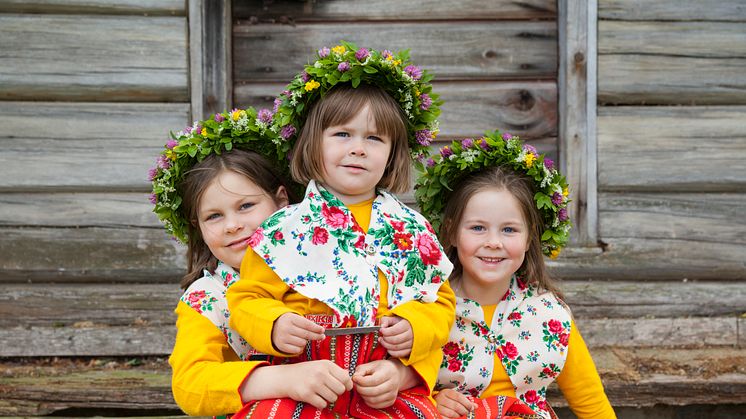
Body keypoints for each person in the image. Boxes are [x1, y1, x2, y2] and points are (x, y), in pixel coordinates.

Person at [226, 43, 456, 418]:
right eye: (342, 134)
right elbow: (247, 298)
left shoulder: (411, 228)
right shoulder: (283, 229)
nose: (359, 149)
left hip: (380, 378)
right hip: (301, 377)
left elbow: (441, 302)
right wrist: (275, 322)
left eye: (374, 138)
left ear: (393, 153)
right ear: (313, 142)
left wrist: (416, 328)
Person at [151, 110, 351, 416]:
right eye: (214, 216)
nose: (232, 225)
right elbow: (190, 383)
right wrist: (282, 379)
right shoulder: (208, 298)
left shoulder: (329, 265)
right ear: (199, 228)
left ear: (281, 201)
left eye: (246, 206)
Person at [415, 131, 616, 419]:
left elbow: (591, 402)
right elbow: (398, 389)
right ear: (451, 232)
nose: (494, 242)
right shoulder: (427, 311)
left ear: (529, 237)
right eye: (477, 228)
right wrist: (433, 401)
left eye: (509, 229)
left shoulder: (549, 313)